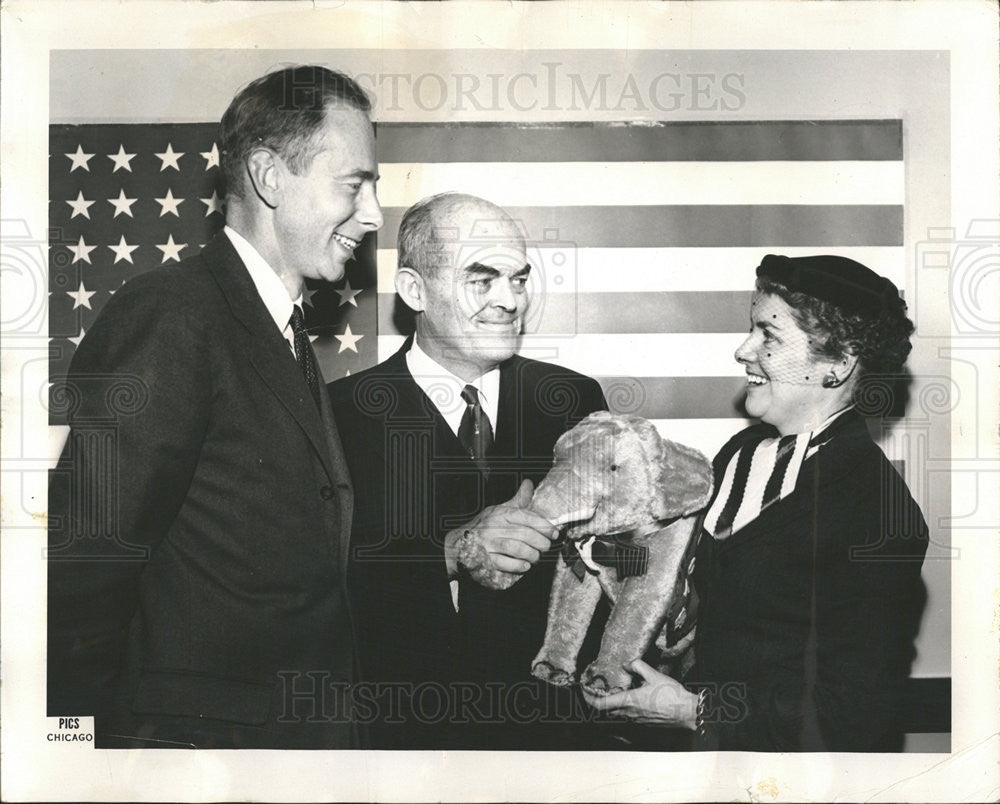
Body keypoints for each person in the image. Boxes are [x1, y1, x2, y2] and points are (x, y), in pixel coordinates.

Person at [46, 65, 383, 749]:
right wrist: (75, 760)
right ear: (268, 176)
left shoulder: (276, 329)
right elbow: (85, 564)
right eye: (356, 184)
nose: (375, 214)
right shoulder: (173, 316)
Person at [587, 254, 929, 752]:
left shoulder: (877, 512)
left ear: (838, 363)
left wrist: (696, 712)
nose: (743, 350)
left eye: (769, 335)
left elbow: (856, 710)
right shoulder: (740, 455)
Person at [329, 192, 609, 749]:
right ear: (414, 291)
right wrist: (451, 553)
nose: (510, 300)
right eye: (481, 279)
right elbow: (314, 584)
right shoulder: (338, 414)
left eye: (519, 279)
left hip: (555, 743)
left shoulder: (573, 399)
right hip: (403, 743)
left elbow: (606, 563)